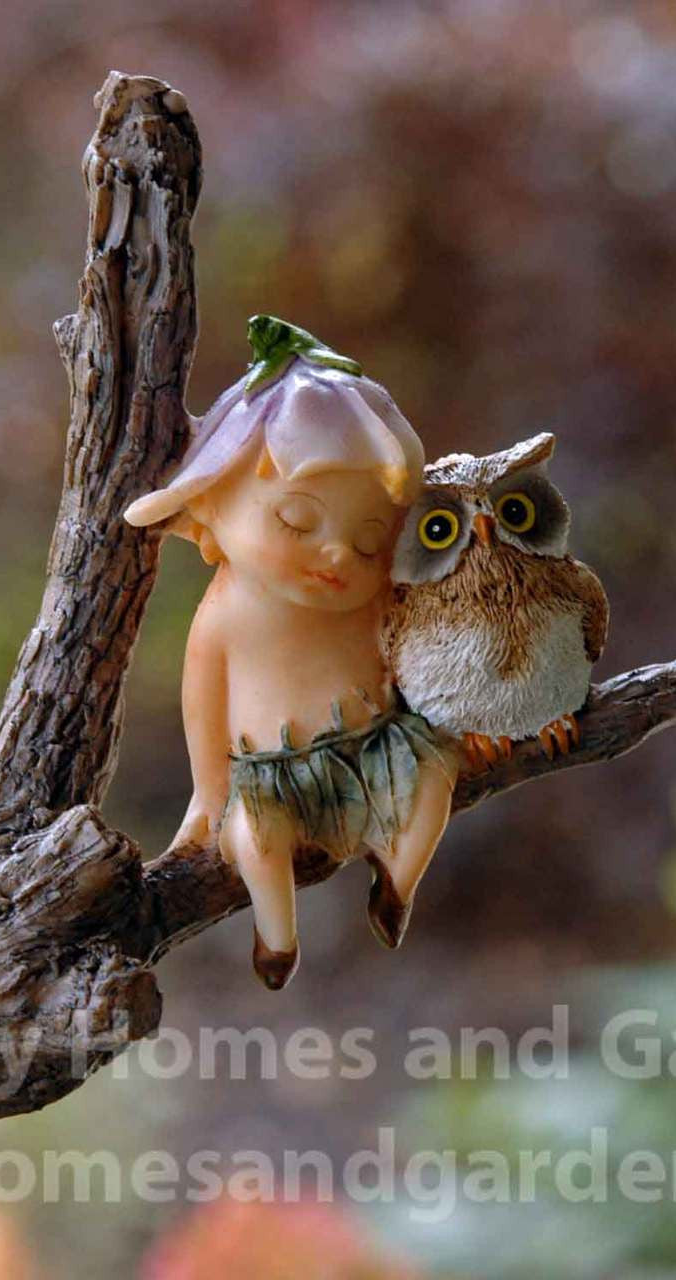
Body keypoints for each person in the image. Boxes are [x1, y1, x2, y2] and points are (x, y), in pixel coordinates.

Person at [125, 316, 457, 989]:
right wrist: (208, 795)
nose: (338, 554)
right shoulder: (226, 615)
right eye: (297, 521)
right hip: (270, 772)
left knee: (434, 781)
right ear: (211, 503)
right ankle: (277, 940)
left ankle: (395, 884)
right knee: (254, 840)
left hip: (375, 743)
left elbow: (411, 656)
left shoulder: (373, 601)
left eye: (369, 541)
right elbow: (205, 706)